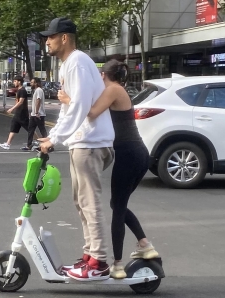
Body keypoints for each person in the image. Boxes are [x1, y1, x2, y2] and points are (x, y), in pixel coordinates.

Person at [57, 59, 159, 279]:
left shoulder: (113, 89)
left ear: (103, 75)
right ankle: (144, 244)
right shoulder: (116, 89)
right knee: (116, 204)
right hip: (132, 153)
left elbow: (91, 112)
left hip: (130, 153)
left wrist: (68, 99)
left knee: (118, 207)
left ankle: (118, 264)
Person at [38, 17, 115, 281]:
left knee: (90, 203)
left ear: (65, 38)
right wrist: (52, 136)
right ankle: (89, 256)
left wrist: (55, 139)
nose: (46, 41)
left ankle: (100, 262)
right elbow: (66, 108)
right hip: (81, 142)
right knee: (81, 202)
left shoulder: (78, 62)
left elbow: (80, 105)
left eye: (50, 36)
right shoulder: (69, 65)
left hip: (90, 142)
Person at [0, 75, 29, 150]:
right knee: (13, 128)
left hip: (22, 113)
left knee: (29, 129)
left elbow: (21, 102)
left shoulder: (22, 91)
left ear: (19, 82)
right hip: (18, 113)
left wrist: (12, 109)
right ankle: (8, 144)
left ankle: (39, 141)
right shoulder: (19, 90)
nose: (14, 83)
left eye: (15, 81)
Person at [22, 78, 48, 151]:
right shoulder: (36, 90)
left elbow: (38, 101)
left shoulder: (39, 90)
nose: (30, 83)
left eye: (32, 82)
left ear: (36, 83)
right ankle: (29, 145)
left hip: (39, 114)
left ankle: (48, 144)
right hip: (34, 114)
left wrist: (36, 112)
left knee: (42, 130)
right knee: (30, 130)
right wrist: (33, 113)